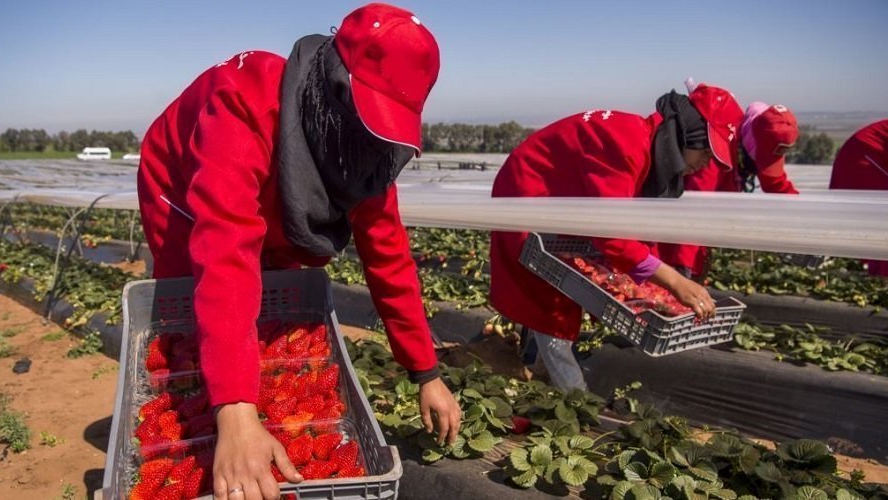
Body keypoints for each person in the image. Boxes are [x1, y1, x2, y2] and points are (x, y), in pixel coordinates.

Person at [136, 4, 461, 500]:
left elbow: (389, 256)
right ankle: (219, 437)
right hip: (184, 193)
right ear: (334, 86)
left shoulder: (362, 150)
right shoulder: (241, 99)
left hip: (273, 205)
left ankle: (245, 420)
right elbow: (224, 252)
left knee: (270, 319)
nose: (372, 142)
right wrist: (236, 411)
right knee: (197, 320)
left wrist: (426, 372)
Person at [490, 84, 743, 391]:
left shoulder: (644, 145)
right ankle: (573, 397)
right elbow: (613, 235)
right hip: (528, 199)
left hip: (563, 207)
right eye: (705, 151)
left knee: (570, 288)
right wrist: (675, 282)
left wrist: (655, 275)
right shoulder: (624, 143)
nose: (706, 163)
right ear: (689, 135)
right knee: (551, 299)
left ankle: (544, 376)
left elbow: (625, 226)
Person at [659, 83, 801, 279]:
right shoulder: (712, 159)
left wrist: (803, 216)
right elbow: (694, 211)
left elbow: (775, 182)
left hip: (696, 244)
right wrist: (682, 270)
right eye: (761, 159)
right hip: (672, 248)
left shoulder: (753, 141)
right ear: (751, 145)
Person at [829, 119, 888, 277]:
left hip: (865, 156)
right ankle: (880, 277)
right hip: (862, 158)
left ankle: (877, 274)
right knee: (881, 223)